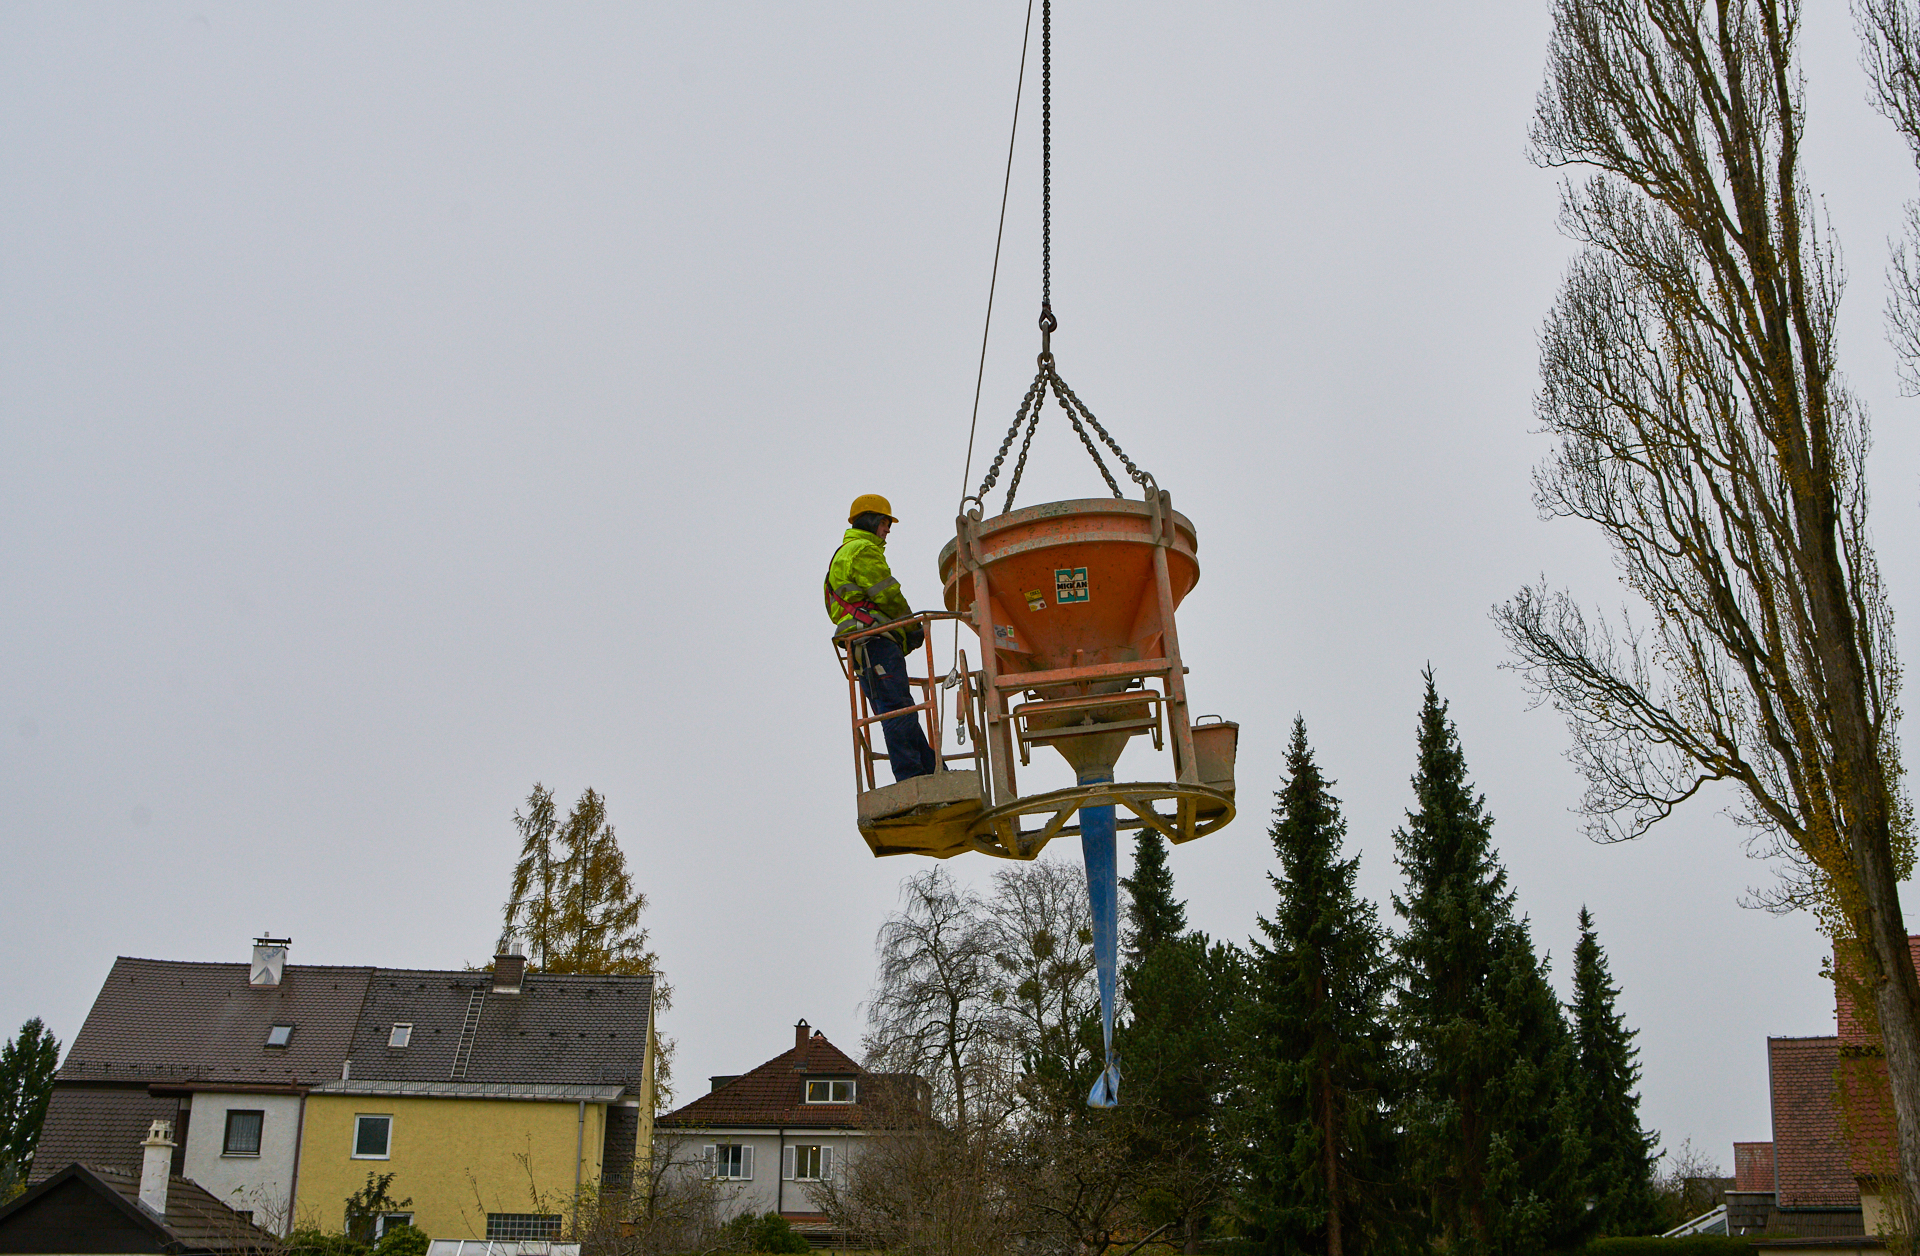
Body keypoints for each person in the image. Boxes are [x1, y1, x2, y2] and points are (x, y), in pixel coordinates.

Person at [826, 494, 938, 782]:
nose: (888, 530)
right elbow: (886, 593)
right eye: (886, 523)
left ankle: (933, 771)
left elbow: (834, 609)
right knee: (896, 711)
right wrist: (911, 625)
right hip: (875, 643)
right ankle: (912, 777)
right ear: (874, 520)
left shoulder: (842, 556)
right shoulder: (862, 551)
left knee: (900, 708)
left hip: (863, 647)